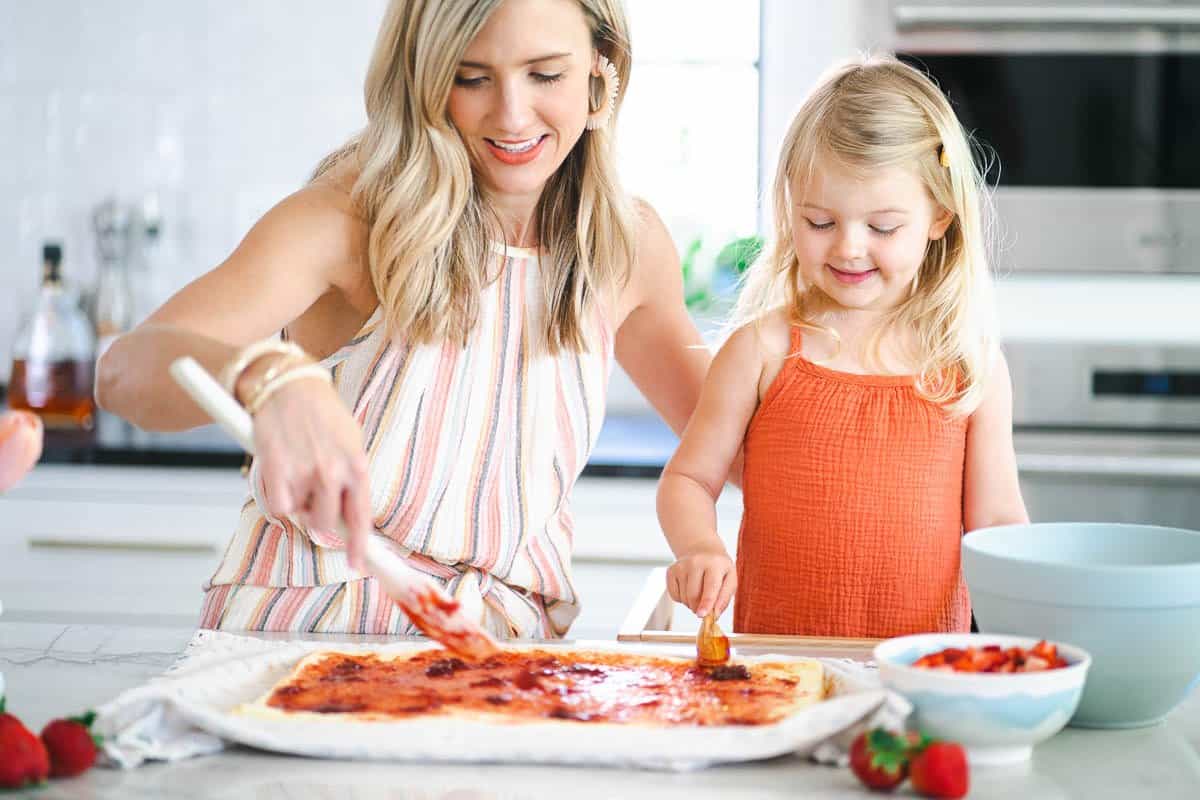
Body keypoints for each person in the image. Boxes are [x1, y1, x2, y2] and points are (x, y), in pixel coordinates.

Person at [97, 0, 711, 638]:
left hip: (498, 657)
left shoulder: (627, 248)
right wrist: (267, 378)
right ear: (421, 78)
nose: (512, 113)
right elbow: (124, 371)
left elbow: (748, 443)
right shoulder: (348, 221)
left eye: (545, 75)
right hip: (302, 642)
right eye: (470, 77)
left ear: (600, 71)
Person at [656, 56, 1029, 638]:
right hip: (779, 673)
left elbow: (998, 521)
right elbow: (688, 480)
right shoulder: (762, 350)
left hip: (919, 677)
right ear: (789, 210)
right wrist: (699, 547)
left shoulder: (968, 366)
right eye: (820, 222)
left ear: (940, 217)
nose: (850, 248)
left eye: (882, 227)